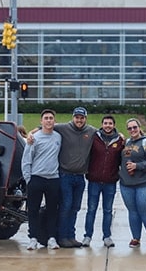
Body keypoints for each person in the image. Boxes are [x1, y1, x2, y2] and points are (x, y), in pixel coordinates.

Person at [54, 106, 96, 248]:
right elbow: (44, 126)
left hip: (80, 177)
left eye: (82, 117)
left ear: (85, 118)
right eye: (77, 117)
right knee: (66, 205)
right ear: (73, 117)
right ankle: (62, 236)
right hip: (65, 175)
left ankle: (71, 236)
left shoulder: (91, 131)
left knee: (75, 207)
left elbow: (107, 134)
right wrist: (30, 135)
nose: (79, 120)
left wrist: (120, 135)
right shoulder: (63, 128)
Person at [82, 115, 124, 248]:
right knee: (91, 210)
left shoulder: (120, 141)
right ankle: (87, 236)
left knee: (108, 210)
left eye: (110, 123)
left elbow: (124, 158)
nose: (108, 125)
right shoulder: (94, 138)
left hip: (110, 182)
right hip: (94, 181)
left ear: (114, 125)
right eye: (105, 123)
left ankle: (107, 237)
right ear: (102, 124)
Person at [21, 109, 62, 250]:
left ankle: (51, 238)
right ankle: (33, 238)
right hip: (36, 178)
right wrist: (28, 179)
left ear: (54, 121)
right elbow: (26, 159)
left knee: (52, 210)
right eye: (46, 118)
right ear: (41, 121)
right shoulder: (34, 138)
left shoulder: (58, 137)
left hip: (53, 179)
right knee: (33, 210)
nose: (49, 120)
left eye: (51, 118)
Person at [119, 118, 146, 248]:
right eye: (129, 128)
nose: (132, 130)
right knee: (132, 211)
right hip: (127, 184)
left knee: (145, 212)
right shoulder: (126, 143)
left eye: (134, 127)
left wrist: (138, 166)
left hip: (145, 184)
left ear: (139, 127)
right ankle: (136, 238)